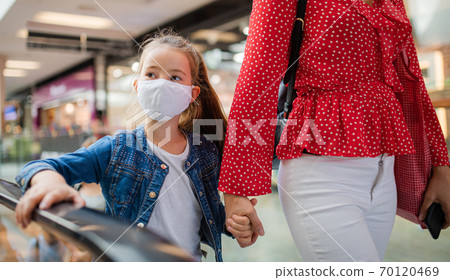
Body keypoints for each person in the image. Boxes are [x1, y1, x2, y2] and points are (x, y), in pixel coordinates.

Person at [220, 0, 450, 261]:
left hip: (384, 174)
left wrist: (441, 166)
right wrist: (236, 191)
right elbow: (257, 77)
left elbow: (412, 83)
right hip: (321, 173)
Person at [15, 30, 251, 262]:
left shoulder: (205, 151)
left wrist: (235, 224)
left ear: (192, 93)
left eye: (175, 77)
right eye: (151, 74)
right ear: (138, 86)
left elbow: (207, 212)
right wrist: (49, 181)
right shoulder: (116, 149)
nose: (161, 84)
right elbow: (40, 166)